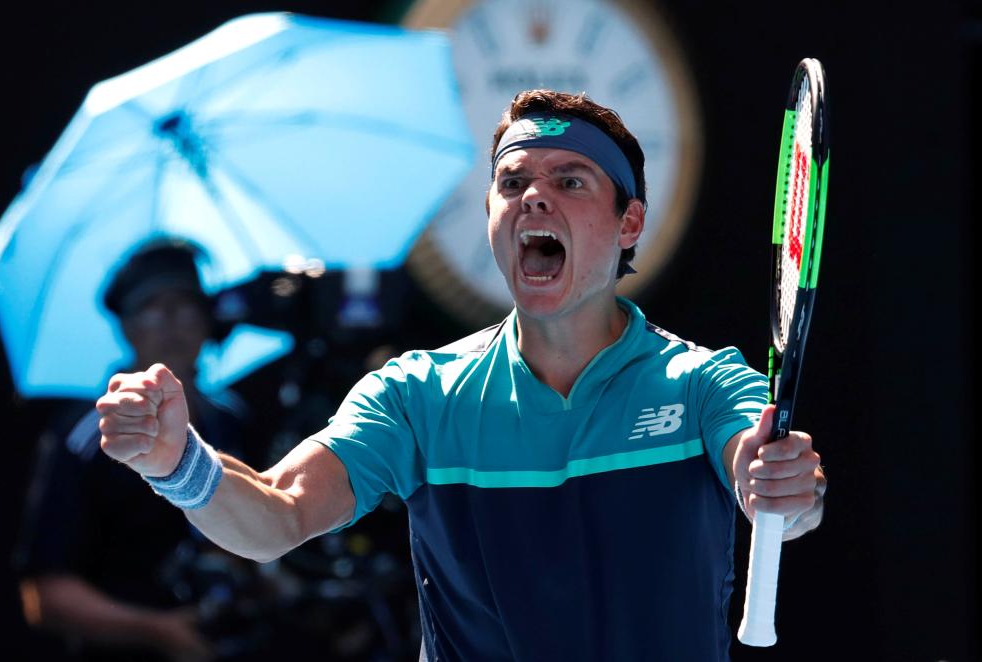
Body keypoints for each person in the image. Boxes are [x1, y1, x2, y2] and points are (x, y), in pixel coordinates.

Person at [98, 90, 827, 661]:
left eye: (569, 180)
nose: (533, 197)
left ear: (629, 222)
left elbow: (770, 483)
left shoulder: (705, 384)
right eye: (512, 183)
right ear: (491, 216)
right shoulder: (416, 396)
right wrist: (176, 463)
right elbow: (275, 515)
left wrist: (787, 494)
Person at [16, 239, 251, 662]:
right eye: (151, 307)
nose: (171, 322)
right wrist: (157, 632)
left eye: (185, 304)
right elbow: (46, 595)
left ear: (208, 319)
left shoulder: (232, 419)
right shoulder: (86, 437)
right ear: (125, 326)